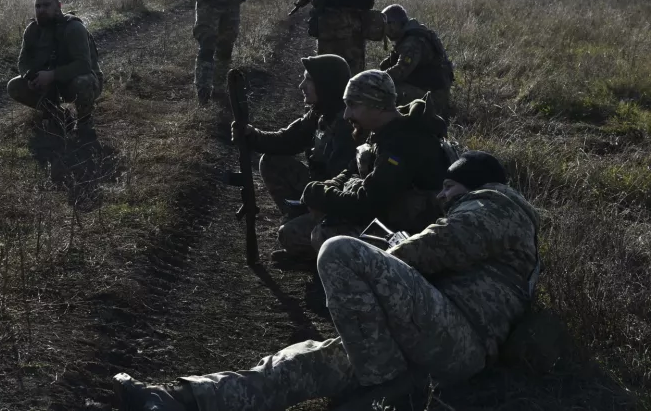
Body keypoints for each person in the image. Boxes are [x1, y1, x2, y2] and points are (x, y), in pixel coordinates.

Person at [113, 151, 541, 411]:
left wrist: (372, 264)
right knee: (301, 364)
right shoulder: (489, 216)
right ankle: (180, 399)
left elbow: (440, 247)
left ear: (472, 185)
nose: (442, 197)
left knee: (338, 250)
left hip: (458, 338)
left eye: (449, 187)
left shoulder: (499, 203)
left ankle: (385, 382)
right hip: (428, 337)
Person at [302, 70, 450, 254]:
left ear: (378, 106)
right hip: (384, 216)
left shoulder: (402, 144)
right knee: (295, 233)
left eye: (352, 105)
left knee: (323, 234)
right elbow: (352, 169)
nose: (347, 114)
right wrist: (330, 186)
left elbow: (366, 203)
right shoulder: (382, 132)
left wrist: (318, 194)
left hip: (412, 236)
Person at [230, 55, 356, 266]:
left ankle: (317, 252)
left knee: (288, 235)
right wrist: (252, 135)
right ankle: (300, 218)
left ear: (325, 85)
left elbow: (345, 187)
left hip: (338, 202)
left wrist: (318, 204)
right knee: (271, 162)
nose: (301, 85)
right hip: (319, 191)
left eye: (308, 80)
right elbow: (286, 140)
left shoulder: (347, 126)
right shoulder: (319, 113)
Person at [7, 0, 103, 133]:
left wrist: (52, 75)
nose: (41, 10)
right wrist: (29, 77)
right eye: (38, 6)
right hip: (50, 84)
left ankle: (84, 122)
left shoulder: (74, 28)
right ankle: (60, 116)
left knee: (83, 81)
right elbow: (23, 62)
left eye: (46, 5)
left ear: (58, 6)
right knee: (14, 86)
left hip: (81, 82)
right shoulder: (32, 30)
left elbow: (83, 65)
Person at [379, 4, 455, 118]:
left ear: (394, 24)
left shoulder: (412, 42)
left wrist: (376, 80)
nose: (385, 31)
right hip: (427, 89)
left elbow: (400, 71)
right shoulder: (408, 37)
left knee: (389, 91)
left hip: (434, 97)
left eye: (386, 25)